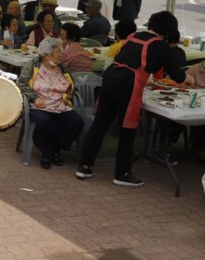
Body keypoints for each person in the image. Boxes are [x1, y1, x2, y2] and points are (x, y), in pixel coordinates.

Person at [77, 11, 186, 187]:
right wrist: (188, 77)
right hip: (128, 83)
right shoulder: (160, 45)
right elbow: (177, 75)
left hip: (110, 77)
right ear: (169, 29)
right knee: (128, 129)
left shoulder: (133, 36)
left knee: (100, 124)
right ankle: (122, 173)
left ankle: (84, 166)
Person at [17, 37, 84, 168]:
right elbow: (21, 84)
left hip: (60, 105)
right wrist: (34, 98)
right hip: (39, 105)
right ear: (47, 55)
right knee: (45, 121)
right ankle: (45, 152)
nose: (62, 55)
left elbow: (71, 84)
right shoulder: (32, 66)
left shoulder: (61, 67)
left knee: (76, 121)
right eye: (59, 52)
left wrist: (68, 94)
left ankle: (56, 148)